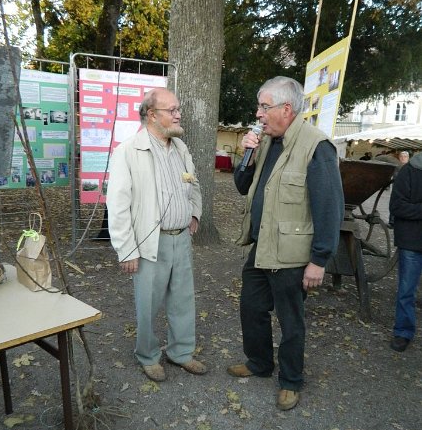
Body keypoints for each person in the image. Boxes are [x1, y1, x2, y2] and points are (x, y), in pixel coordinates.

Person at [227, 76, 344, 410]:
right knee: (251, 308)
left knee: (291, 321)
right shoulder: (265, 142)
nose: (258, 114)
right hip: (262, 246)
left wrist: (319, 260)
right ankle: (259, 363)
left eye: (264, 106)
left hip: (292, 255)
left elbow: (329, 208)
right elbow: (241, 186)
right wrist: (248, 154)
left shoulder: (316, 146)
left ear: (286, 109)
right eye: (259, 107)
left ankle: (291, 380)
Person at [106, 88, 206, 381]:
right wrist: (126, 249)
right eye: (172, 110)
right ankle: (148, 356)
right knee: (148, 304)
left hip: (181, 239)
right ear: (152, 115)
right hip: (150, 242)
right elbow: (118, 204)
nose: (178, 115)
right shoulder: (128, 151)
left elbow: (193, 184)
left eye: (178, 109)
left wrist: (194, 213)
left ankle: (181, 352)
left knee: (183, 300)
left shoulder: (180, 148)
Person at [389, 152, 422, 352]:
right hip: (412, 241)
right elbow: (397, 206)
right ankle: (403, 331)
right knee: (407, 290)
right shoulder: (409, 171)